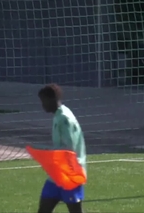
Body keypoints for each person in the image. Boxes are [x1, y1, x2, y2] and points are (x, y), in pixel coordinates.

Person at [37, 84, 87, 213]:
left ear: (52, 99)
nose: (42, 105)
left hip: (70, 174)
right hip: (57, 174)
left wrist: (50, 158)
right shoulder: (58, 115)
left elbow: (69, 149)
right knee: (44, 209)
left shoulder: (64, 118)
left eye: (44, 101)